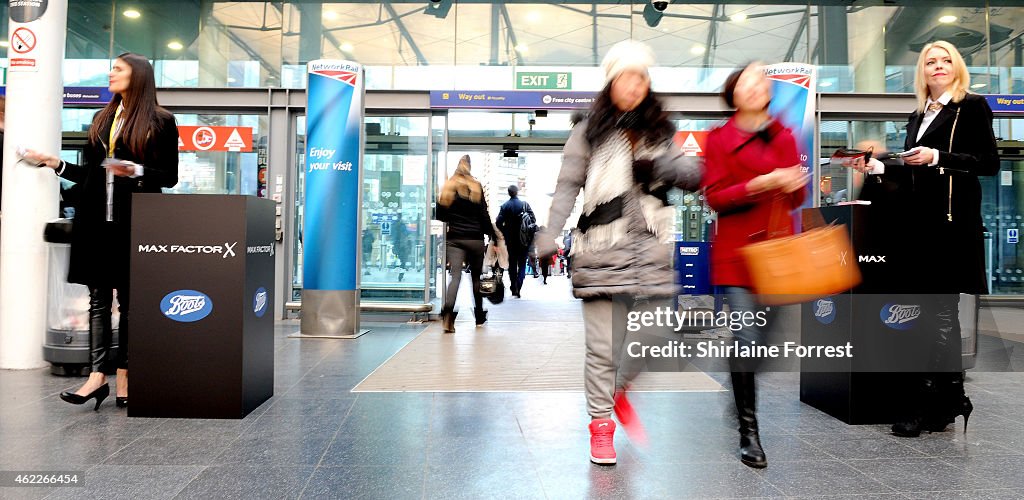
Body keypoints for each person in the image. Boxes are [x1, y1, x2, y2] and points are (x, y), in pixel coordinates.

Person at [536, 40, 701, 465]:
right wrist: (550, 233)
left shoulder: (660, 133)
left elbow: (691, 174)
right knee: (603, 349)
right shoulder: (587, 129)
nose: (635, 84)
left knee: (660, 332)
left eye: (642, 77)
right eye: (627, 75)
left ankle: (620, 389)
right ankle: (601, 425)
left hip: (649, 252)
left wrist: (661, 167)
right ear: (611, 81)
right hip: (601, 250)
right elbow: (568, 186)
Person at [852, 41, 997, 437]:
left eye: (946, 60)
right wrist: (883, 167)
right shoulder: (919, 115)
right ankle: (951, 398)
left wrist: (938, 158)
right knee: (933, 317)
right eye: (930, 61)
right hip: (920, 229)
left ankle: (927, 402)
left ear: (957, 66)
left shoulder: (971, 107)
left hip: (952, 228)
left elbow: (987, 162)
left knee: (940, 317)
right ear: (922, 70)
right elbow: (913, 176)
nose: (938, 66)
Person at [24, 53, 179, 410]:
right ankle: (96, 378)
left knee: (129, 303)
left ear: (138, 76)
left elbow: (168, 176)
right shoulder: (101, 117)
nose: (110, 74)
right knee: (97, 299)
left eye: (118, 69)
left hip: (134, 222)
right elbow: (92, 175)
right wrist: (56, 164)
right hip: (96, 222)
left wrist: (134, 170)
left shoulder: (161, 121)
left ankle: (124, 374)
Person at [701, 62, 808, 468]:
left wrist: (794, 184)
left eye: (761, 81)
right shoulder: (718, 138)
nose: (754, 86)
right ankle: (750, 431)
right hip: (736, 253)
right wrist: (757, 185)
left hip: (777, 255)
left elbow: (795, 199)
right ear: (734, 92)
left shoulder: (783, 134)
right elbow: (714, 197)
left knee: (766, 342)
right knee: (746, 338)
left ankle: (738, 385)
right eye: (746, 81)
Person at [436, 155, 501, 332]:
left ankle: (448, 314)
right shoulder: (476, 186)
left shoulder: (449, 186)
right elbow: (484, 214)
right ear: (470, 167)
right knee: (475, 278)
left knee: (455, 277)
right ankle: (479, 316)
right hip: (475, 239)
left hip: (455, 238)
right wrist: (493, 236)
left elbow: (440, 215)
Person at [496, 184, 534, 298]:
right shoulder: (524, 205)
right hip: (524, 240)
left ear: (508, 193)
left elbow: (498, 222)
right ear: (517, 192)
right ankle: (519, 285)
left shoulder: (505, 206)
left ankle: (513, 287)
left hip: (510, 240)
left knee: (512, 264)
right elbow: (533, 220)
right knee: (522, 264)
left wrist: (505, 231)